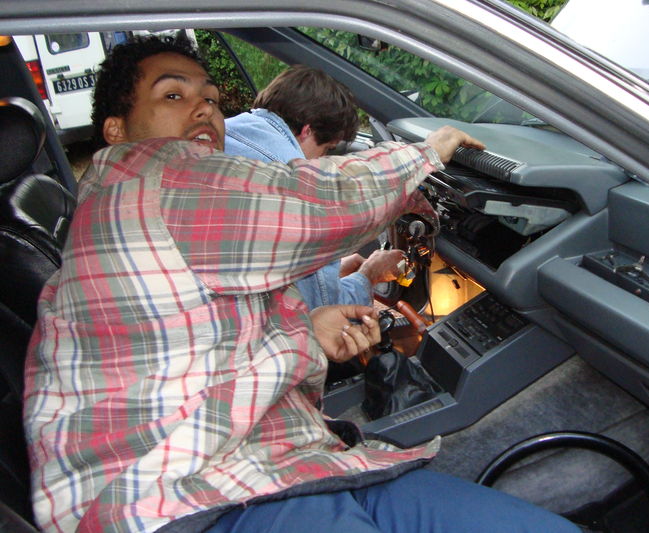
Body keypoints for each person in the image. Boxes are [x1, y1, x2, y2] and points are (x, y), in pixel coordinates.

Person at [23, 36, 580, 533]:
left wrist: (304, 334)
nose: (203, 108)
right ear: (116, 130)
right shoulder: (151, 176)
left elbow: (192, 336)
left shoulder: (135, 196)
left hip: (277, 460)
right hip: (174, 493)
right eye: (173, 95)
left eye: (213, 98)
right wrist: (427, 152)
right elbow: (323, 202)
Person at [225, 65, 404, 312]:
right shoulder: (300, 191)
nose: (321, 161)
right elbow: (324, 313)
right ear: (307, 131)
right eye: (326, 150)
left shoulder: (221, 132)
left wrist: (329, 273)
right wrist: (369, 274)